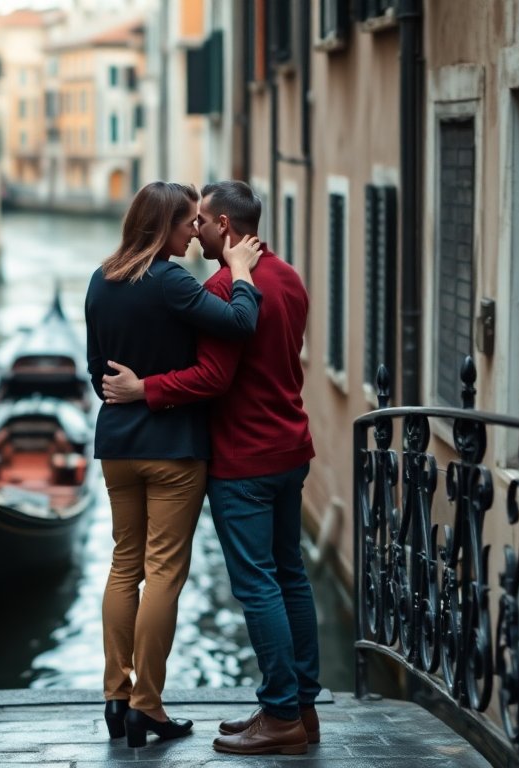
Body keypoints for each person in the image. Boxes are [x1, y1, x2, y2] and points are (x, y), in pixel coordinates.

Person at [101, 180, 320, 756]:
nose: (193, 232)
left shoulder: (224, 286)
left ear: (224, 226)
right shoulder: (290, 277)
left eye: (201, 222)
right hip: (290, 448)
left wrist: (143, 387)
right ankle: (299, 706)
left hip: (241, 458)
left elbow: (214, 378)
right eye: (187, 222)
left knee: (254, 584)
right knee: (290, 575)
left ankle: (279, 713)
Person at [84, 181, 263, 749]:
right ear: (164, 226)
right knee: (163, 573)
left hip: (117, 447)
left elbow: (98, 376)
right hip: (174, 448)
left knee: (123, 567)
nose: (195, 230)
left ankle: (116, 695)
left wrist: (129, 393)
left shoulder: (100, 279)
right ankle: (147, 708)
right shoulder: (170, 280)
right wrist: (241, 272)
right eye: (188, 221)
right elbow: (239, 323)